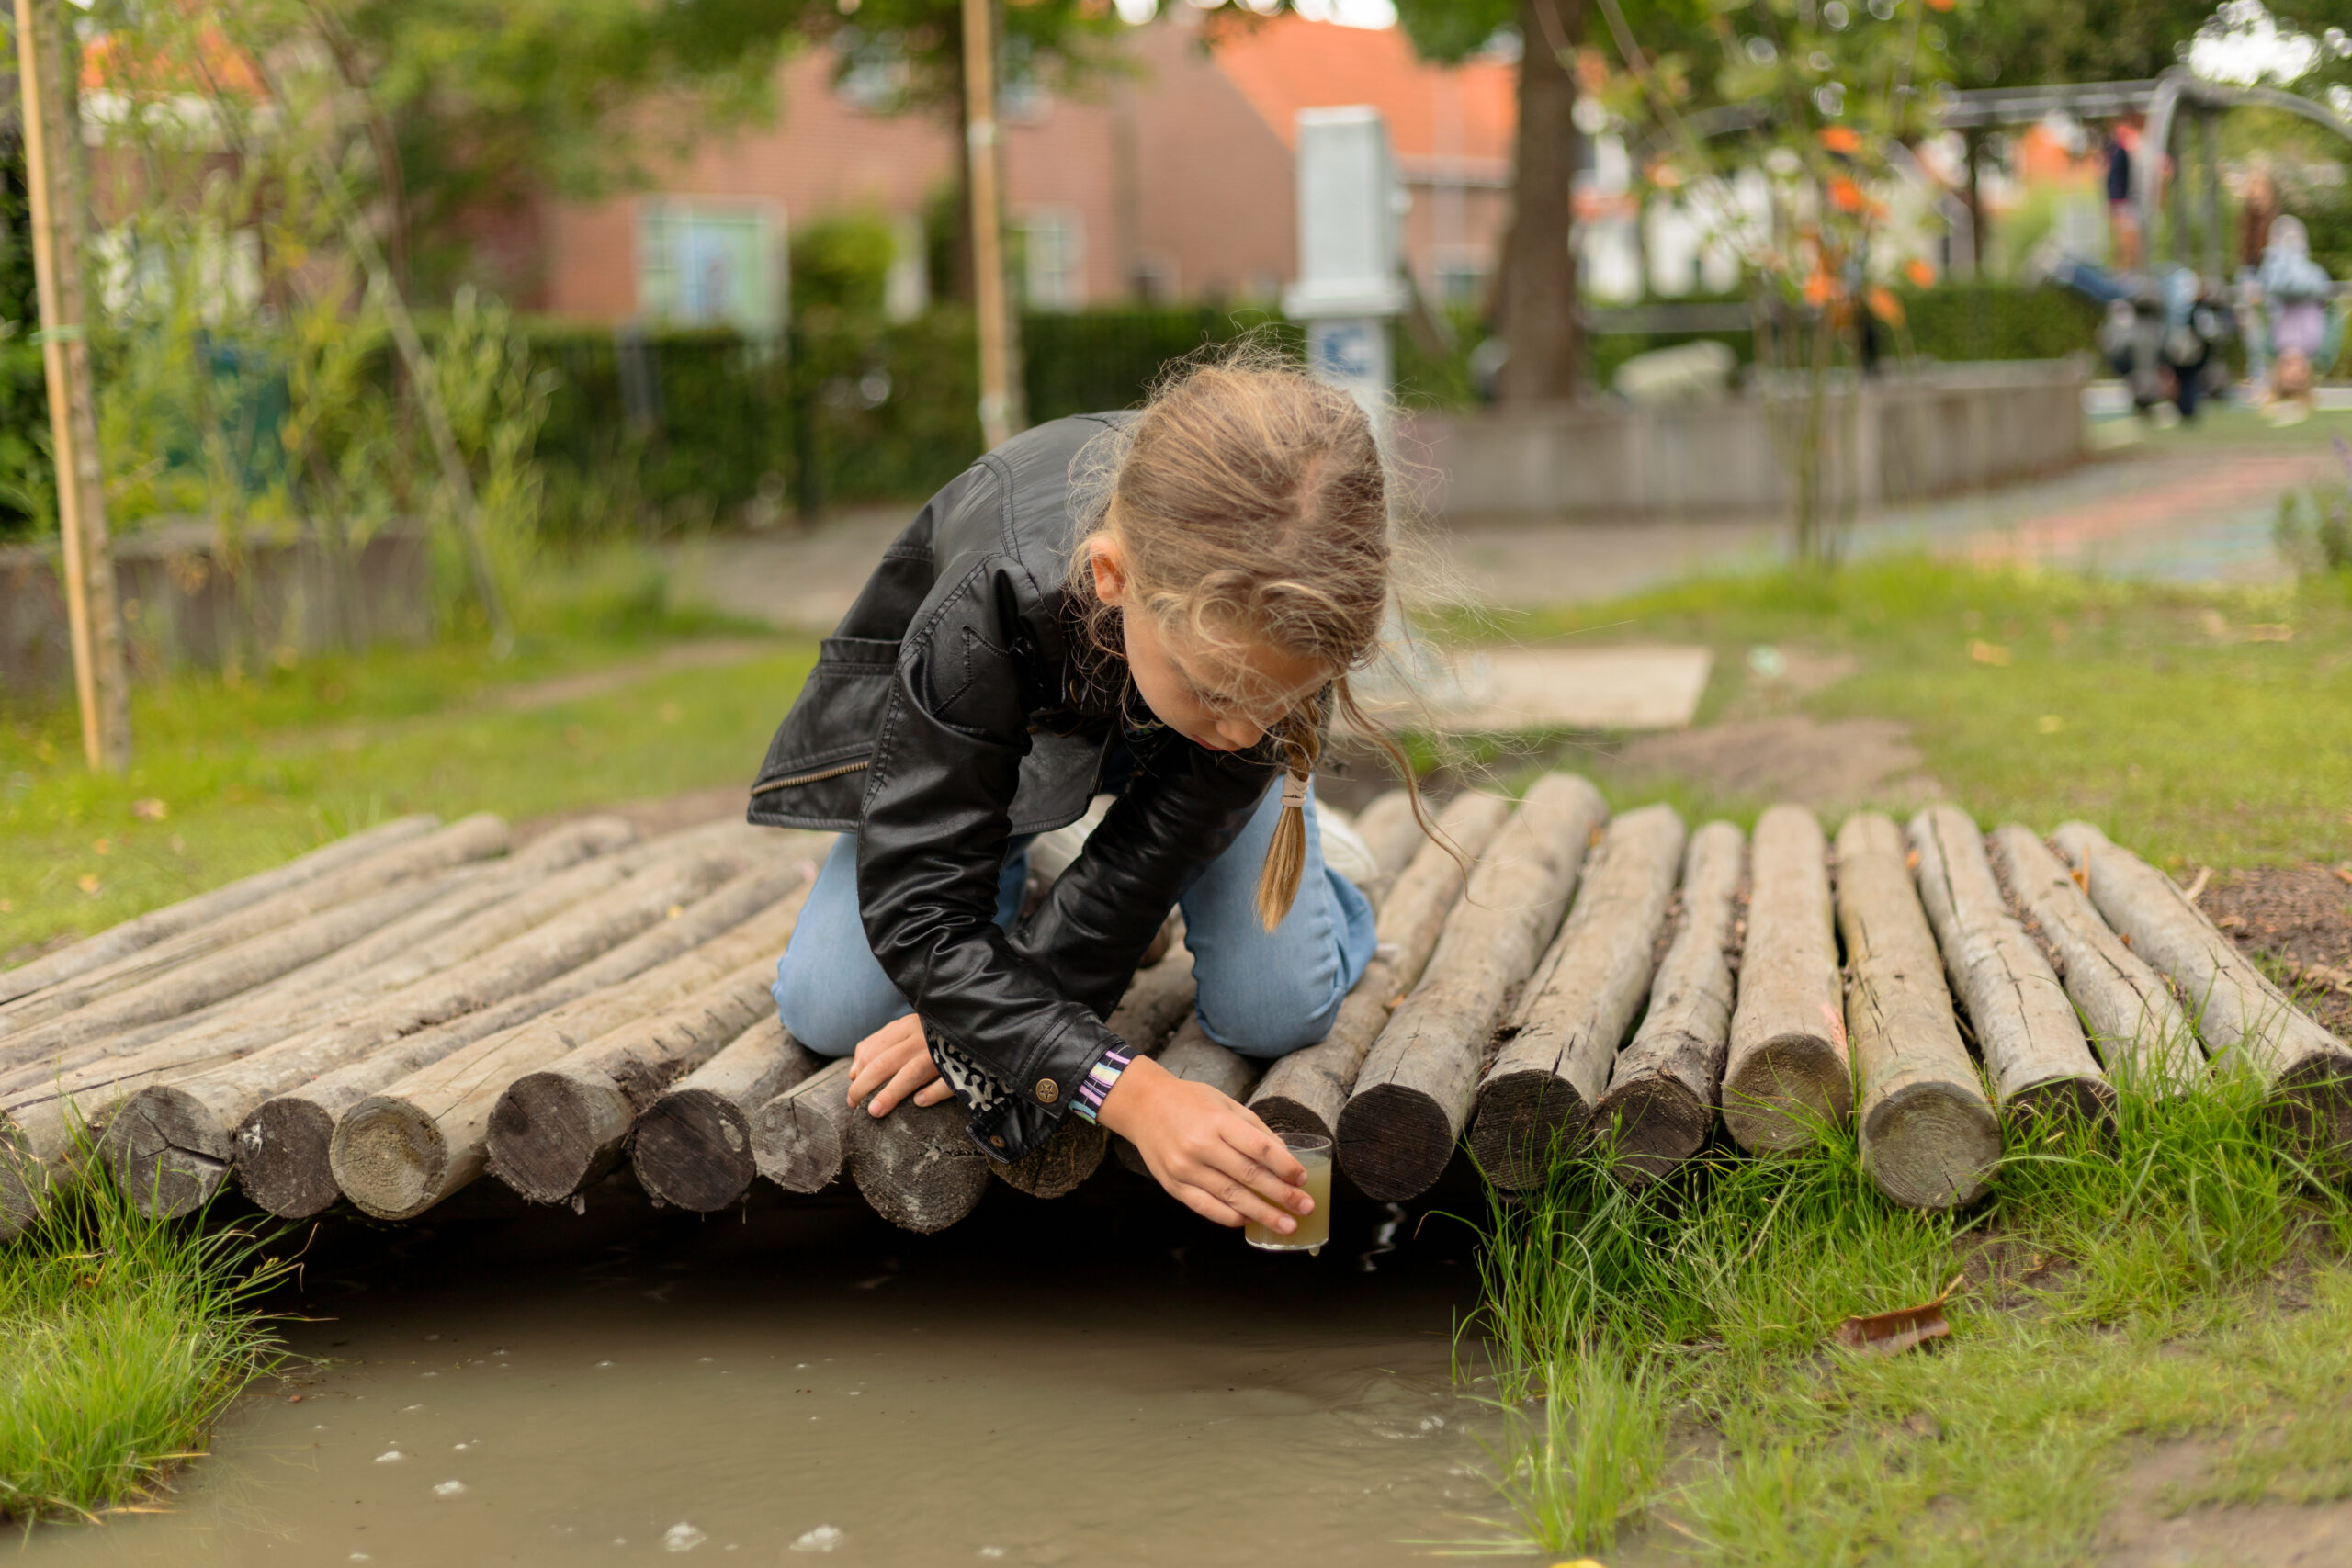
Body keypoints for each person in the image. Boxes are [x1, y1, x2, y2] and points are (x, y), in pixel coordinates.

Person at [750, 352, 1408, 1239]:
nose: (1251, 733)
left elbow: (1156, 847)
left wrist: (989, 1023)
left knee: (1275, 1009)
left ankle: (1323, 879)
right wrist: (1127, 1092)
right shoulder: (986, 608)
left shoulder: (1281, 614)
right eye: (1218, 689)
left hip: (1177, 767)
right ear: (1112, 578)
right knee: (833, 1008)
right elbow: (922, 914)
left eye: (1281, 699)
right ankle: (1034, 838)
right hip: (985, 756)